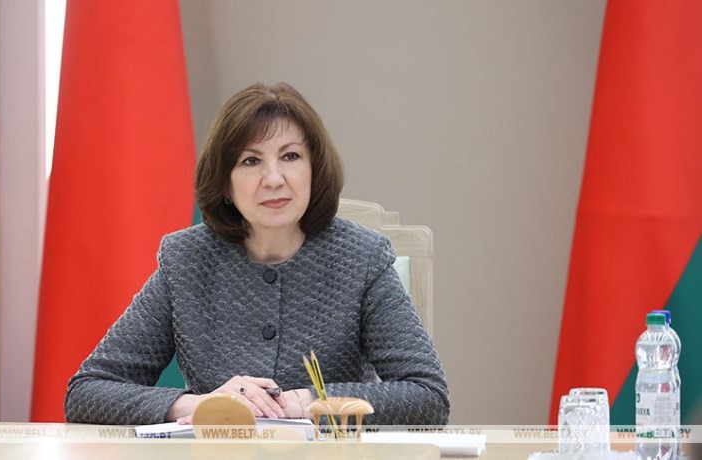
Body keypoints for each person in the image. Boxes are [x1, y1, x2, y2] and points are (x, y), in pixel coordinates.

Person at [64, 82, 450, 426]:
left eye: (291, 156)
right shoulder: (187, 260)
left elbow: (427, 396)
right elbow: (87, 391)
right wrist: (201, 405)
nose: (274, 179)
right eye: (251, 161)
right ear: (225, 183)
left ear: (314, 169)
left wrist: (308, 401)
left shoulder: (362, 257)